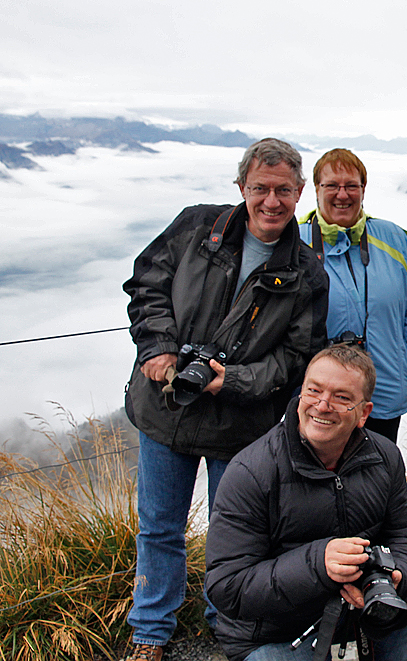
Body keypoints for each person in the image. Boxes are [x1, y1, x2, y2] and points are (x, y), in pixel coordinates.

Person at [121, 138, 329, 661]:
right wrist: (160, 348)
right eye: (261, 188)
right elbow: (146, 283)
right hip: (165, 405)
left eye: (284, 190)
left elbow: (294, 359)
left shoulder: (306, 270)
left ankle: (228, 620)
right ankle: (150, 628)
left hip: (239, 421)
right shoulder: (197, 227)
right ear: (242, 188)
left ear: (300, 192)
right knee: (159, 525)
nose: (272, 201)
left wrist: (228, 382)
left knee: (233, 531)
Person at [205, 344, 407, 661]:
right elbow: (226, 586)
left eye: (342, 397)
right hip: (277, 631)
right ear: (301, 393)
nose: (322, 405)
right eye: (313, 391)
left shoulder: (384, 456)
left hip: (358, 607)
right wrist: (318, 564)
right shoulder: (251, 472)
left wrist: (398, 579)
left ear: (364, 413)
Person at [298, 148, 407, 443]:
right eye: (332, 185)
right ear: (316, 190)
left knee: (377, 478)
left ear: (363, 190)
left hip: (384, 389)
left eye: (351, 186)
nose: (342, 195)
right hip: (322, 401)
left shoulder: (391, 238)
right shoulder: (296, 243)